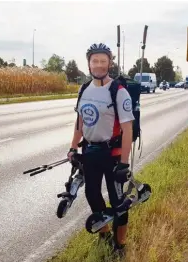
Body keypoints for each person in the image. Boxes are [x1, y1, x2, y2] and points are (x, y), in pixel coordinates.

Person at [67, 43, 134, 256]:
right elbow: (80, 122)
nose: (98, 65)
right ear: (88, 63)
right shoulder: (84, 89)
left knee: (118, 203)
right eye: (94, 61)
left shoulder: (118, 91)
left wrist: (124, 163)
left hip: (112, 154)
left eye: (103, 61)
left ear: (109, 63)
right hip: (90, 152)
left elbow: (127, 129)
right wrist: (72, 148)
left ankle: (120, 245)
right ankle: (104, 234)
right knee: (92, 194)